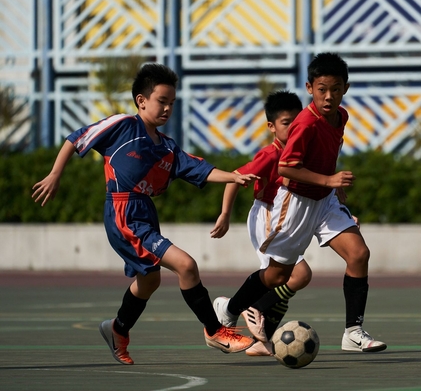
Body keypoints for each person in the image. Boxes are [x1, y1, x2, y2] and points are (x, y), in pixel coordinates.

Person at [31, 63, 258, 365]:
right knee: (186, 266)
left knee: (149, 281)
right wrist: (55, 174)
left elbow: (200, 169)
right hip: (123, 212)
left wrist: (233, 176)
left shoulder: (167, 148)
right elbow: (76, 137)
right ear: (141, 101)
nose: (167, 108)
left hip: (144, 213)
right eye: (161, 101)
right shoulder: (124, 126)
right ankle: (215, 331)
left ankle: (118, 329)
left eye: (172, 103)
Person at [216, 52, 387, 353]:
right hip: (297, 202)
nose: (329, 96)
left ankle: (353, 331)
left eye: (336, 88)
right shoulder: (305, 123)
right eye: (322, 89)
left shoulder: (341, 116)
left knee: (359, 254)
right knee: (279, 275)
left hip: (326, 202)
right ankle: (230, 309)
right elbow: (285, 168)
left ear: (345, 88)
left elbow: (329, 150)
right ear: (310, 88)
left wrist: (336, 188)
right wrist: (329, 180)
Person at [209, 90, 312, 356]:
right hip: (266, 216)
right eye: (286, 123)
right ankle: (236, 309)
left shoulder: (303, 151)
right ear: (271, 127)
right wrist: (225, 215)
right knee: (295, 275)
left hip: (286, 216)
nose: (292, 128)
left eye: (296, 122)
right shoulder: (270, 155)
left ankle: (257, 335)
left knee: (290, 277)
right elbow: (234, 178)